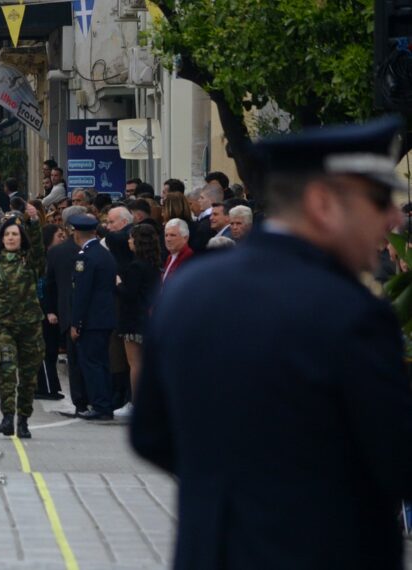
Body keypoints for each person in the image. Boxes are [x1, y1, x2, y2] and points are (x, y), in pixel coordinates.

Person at [130, 116, 412, 569]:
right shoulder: (350, 311)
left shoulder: (190, 289)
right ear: (322, 203)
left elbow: (150, 434)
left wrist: (225, 487)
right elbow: (396, 455)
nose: (393, 218)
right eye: (379, 200)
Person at [0, 206, 46, 438]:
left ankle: (24, 420)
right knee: (7, 372)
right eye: (7, 234)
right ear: (2, 238)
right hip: (5, 327)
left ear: (22, 238)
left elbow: (38, 250)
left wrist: (34, 222)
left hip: (30, 328)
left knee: (28, 378)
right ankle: (8, 417)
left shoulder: (29, 263)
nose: (11, 238)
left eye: (15, 234)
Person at [68, 213, 117, 421]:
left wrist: (76, 322)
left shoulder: (85, 257)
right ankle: (105, 403)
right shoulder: (104, 253)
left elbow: (82, 292)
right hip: (105, 316)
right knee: (102, 362)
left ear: (77, 233)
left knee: (91, 363)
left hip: (91, 319)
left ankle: (100, 405)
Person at [112, 224, 161, 419]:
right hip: (148, 318)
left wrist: (118, 283)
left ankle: (136, 403)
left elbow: (128, 294)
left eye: (132, 238)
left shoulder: (135, 266)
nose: (129, 241)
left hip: (133, 320)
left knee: (135, 364)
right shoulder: (153, 265)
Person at [35, 224, 68, 400]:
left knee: (51, 350)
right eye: (59, 236)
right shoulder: (43, 260)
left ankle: (49, 387)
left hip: (53, 309)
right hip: (43, 311)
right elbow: (43, 287)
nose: (63, 238)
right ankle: (46, 388)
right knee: (45, 351)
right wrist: (48, 309)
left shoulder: (57, 257)